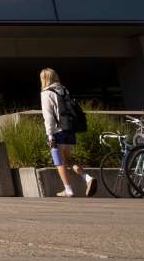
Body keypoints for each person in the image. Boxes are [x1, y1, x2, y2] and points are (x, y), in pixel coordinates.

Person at [41, 68, 97, 197]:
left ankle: (68, 190)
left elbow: (48, 116)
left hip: (56, 132)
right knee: (68, 159)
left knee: (59, 161)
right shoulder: (64, 90)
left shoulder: (46, 93)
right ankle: (87, 178)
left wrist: (50, 135)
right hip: (69, 130)